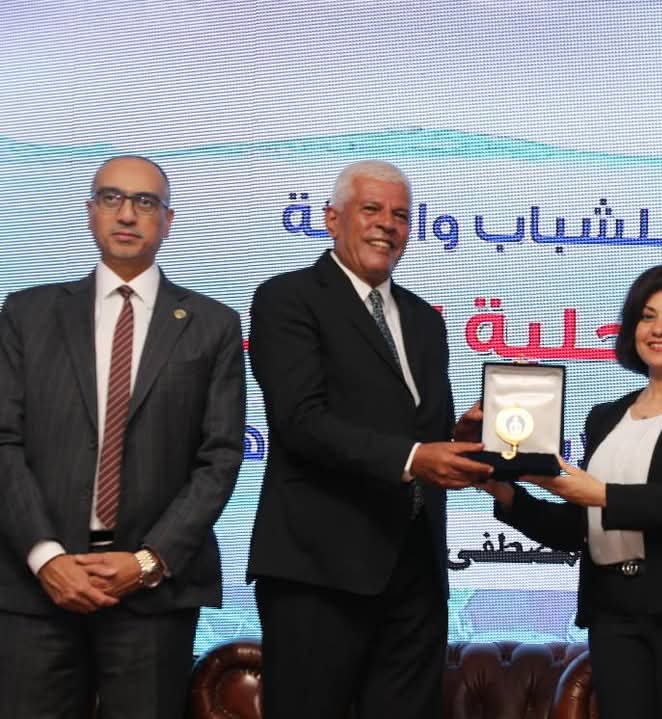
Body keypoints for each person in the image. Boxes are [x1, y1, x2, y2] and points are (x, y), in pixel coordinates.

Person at [0, 155, 246, 718]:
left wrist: (148, 561)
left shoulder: (212, 324)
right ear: (90, 212)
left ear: (168, 220)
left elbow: (220, 457)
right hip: (35, 588)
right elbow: (3, 441)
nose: (127, 214)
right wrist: (46, 557)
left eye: (145, 202)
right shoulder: (27, 313)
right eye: (111, 198)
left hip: (153, 597)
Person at [246, 160, 493, 718]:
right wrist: (414, 457)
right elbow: (300, 421)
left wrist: (459, 438)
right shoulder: (288, 299)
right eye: (372, 209)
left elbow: (418, 435)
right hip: (318, 571)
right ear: (332, 219)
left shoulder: (426, 321)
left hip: (416, 571)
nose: (388, 224)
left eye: (401, 215)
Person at [483, 264, 662, 719]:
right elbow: (582, 528)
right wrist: (505, 493)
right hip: (614, 613)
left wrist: (602, 495)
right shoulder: (606, 416)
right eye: (647, 316)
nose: (658, 329)